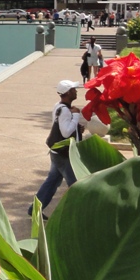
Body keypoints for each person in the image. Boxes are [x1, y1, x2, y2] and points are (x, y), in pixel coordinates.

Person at [28, 80, 87, 216]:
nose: (76, 91)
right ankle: (79, 214)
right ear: (67, 93)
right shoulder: (66, 110)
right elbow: (65, 132)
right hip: (63, 155)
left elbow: (61, 127)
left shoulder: (58, 106)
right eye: (73, 89)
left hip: (57, 152)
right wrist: (76, 116)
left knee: (51, 182)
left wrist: (77, 128)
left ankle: (34, 210)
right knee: (76, 185)